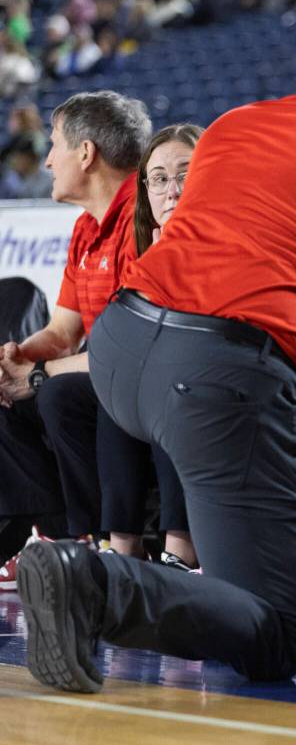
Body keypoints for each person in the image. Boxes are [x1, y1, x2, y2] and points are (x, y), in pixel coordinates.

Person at [13, 25, 296, 693]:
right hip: (219, 375)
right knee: (277, 633)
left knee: (238, 581)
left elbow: (261, 259)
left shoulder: (233, 124)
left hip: (123, 345)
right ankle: (93, 580)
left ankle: (94, 564)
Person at [0, 91, 150, 589]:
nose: (45, 159)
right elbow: (63, 331)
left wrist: (37, 374)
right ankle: (55, 535)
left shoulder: (144, 221)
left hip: (139, 380)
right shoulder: (86, 227)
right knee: (4, 395)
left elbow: (132, 346)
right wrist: (16, 357)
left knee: (58, 393)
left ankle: (87, 541)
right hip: (96, 371)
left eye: (54, 144)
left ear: (85, 153)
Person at [98, 123, 203, 570]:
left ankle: (181, 551)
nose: (172, 189)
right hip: (166, 375)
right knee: (116, 389)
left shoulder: (229, 242)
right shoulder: (146, 250)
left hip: (219, 376)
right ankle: (122, 551)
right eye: (159, 179)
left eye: (185, 173)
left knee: (161, 381)